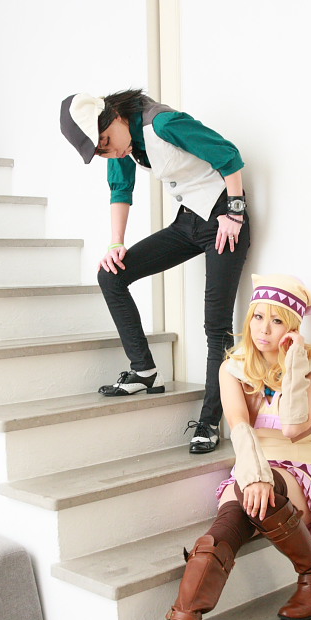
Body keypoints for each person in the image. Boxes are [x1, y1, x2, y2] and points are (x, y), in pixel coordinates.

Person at [60, 90, 250, 453]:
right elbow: (121, 189)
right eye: (100, 151)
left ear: (114, 116)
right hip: (188, 223)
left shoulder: (162, 123)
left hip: (224, 223)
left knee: (216, 327)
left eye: (105, 142)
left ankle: (210, 421)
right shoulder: (122, 142)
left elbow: (228, 154)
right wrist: (116, 244)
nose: (108, 152)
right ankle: (144, 370)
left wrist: (235, 211)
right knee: (111, 275)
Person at [164, 273, 311, 620]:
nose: (264, 330)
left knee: (261, 490)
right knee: (230, 519)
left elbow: (292, 428)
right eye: (258, 317)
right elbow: (240, 428)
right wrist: (256, 475)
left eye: (276, 321)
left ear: (292, 327)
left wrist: (293, 365)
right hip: (251, 460)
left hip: (301, 465)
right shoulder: (233, 368)